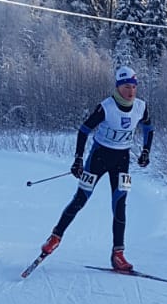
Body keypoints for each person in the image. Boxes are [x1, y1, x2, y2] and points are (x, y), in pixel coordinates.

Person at [40, 67, 153, 272]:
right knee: (81, 198)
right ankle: (55, 237)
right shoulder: (106, 107)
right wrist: (78, 159)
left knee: (120, 205)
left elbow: (149, 127)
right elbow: (84, 130)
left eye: (134, 87)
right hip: (99, 157)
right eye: (127, 87)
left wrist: (146, 151)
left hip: (122, 160)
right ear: (118, 87)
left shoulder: (141, 107)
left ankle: (118, 254)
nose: (131, 91)